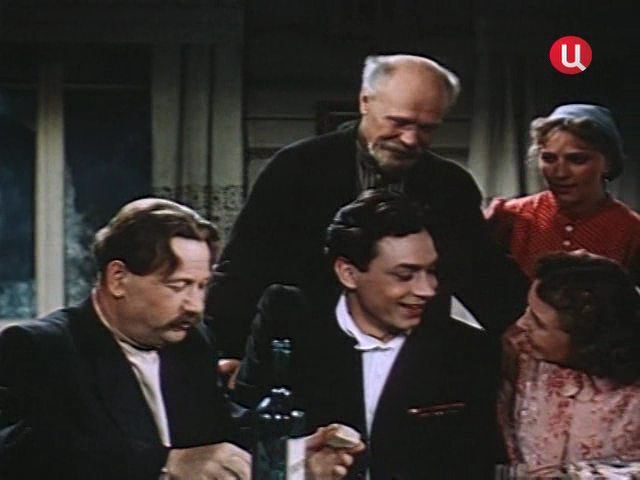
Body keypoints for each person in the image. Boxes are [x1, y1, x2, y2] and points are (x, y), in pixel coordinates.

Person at [0, 198, 361, 480]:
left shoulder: (190, 344)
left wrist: (291, 456)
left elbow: (221, 432)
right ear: (118, 279)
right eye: (179, 286)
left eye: (202, 287)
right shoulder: (40, 348)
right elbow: (23, 454)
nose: (195, 306)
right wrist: (165, 462)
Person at [209, 54, 528, 370]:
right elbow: (245, 266)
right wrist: (229, 350)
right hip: (307, 353)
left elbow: (480, 273)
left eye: (427, 128)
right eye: (399, 122)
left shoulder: (450, 185)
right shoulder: (297, 168)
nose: (410, 139)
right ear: (365, 101)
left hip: (410, 361)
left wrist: (528, 331)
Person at [233, 190, 502, 479]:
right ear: (348, 273)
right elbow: (243, 432)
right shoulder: (288, 320)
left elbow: (475, 464)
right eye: (405, 275)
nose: (427, 290)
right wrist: (298, 465)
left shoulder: (468, 351)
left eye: (431, 271)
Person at [498, 252, 640, 476]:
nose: (521, 324)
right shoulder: (518, 350)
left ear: (586, 341)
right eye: (527, 311)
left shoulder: (633, 400)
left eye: (538, 323)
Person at [486, 103, 640, 282]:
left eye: (577, 160)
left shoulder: (631, 230)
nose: (560, 173)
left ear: (608, 163)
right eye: (549, 158)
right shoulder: (510, 216)